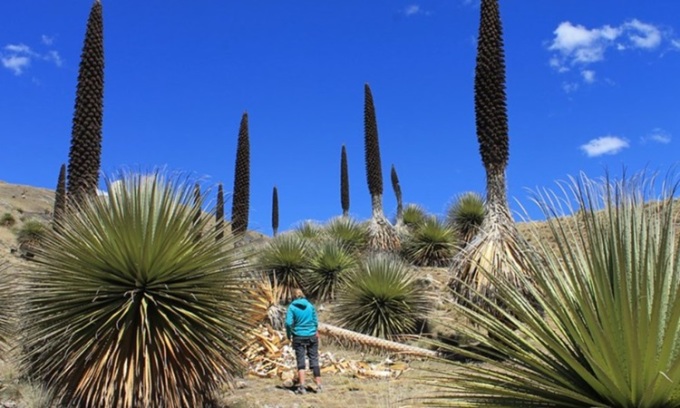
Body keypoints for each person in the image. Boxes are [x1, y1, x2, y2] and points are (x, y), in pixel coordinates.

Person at [285, 288, 322, 394]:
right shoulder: (310, 306)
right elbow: (315, 321)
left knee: (301, 361)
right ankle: (319, 385)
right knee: (314, 359)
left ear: (293, 296)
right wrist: (315, 330)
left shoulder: (292, 307)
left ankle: (302, 386)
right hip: (311, 335)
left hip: (298, 335)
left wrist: (289, 334)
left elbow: (288, 323)